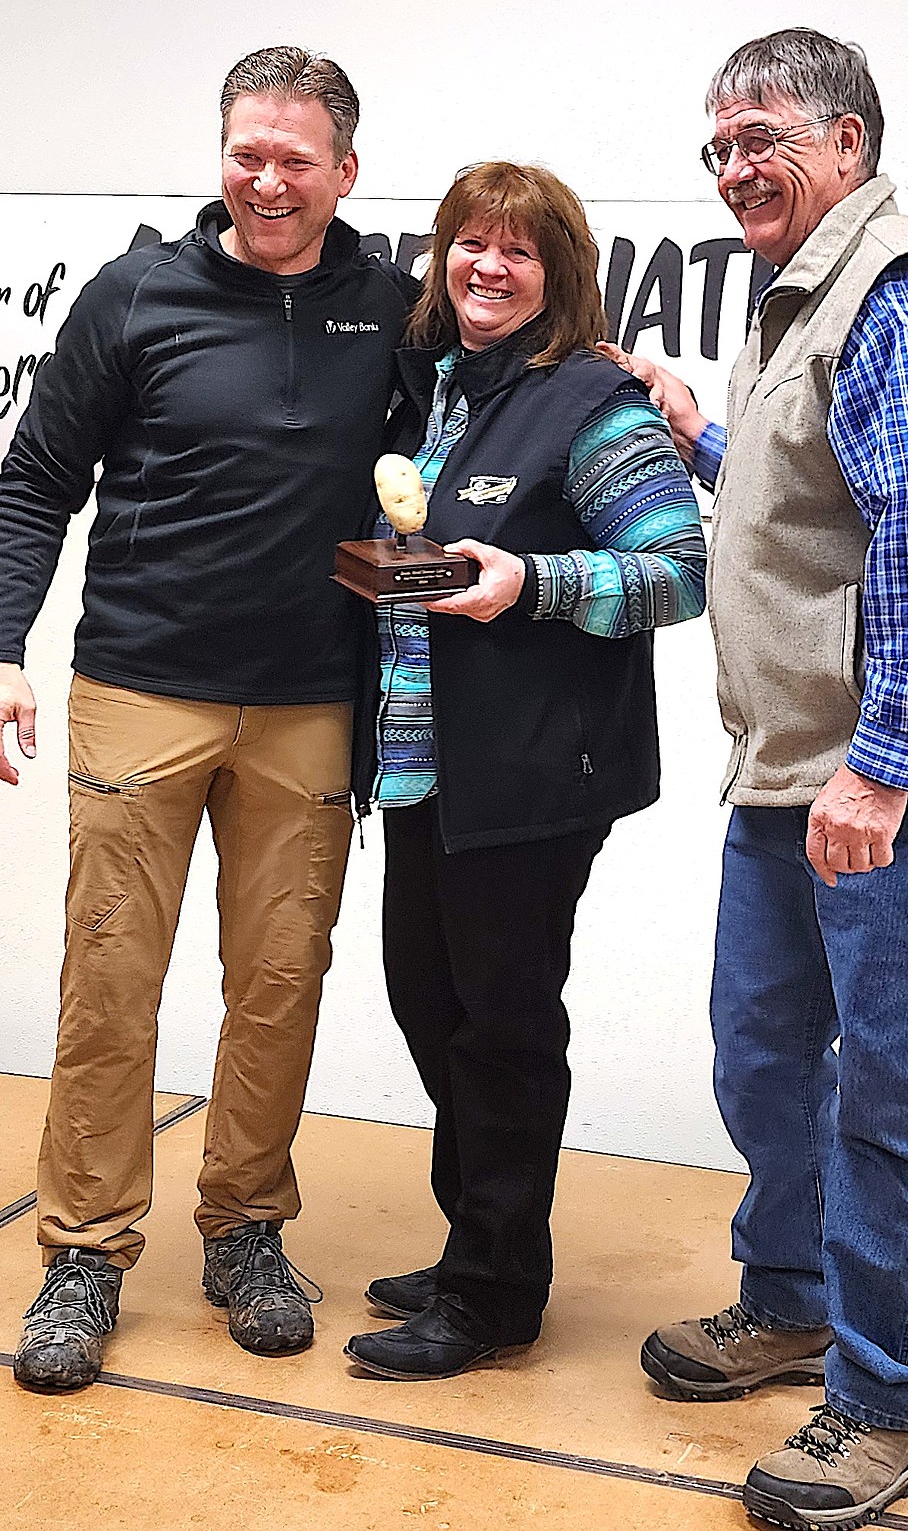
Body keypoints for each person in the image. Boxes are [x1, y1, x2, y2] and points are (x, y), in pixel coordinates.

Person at [0, 46, 416, 1392]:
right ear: (222, 153)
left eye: (294, 156)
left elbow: (507, 382)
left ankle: (246, 1229)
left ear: (346, 168)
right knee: (109, 982)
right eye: (244, 151)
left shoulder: (393, 307)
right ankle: (85, 1251)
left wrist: (641, 384)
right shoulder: (138, 292)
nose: (265, 178)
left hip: (308, 706)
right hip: (137, 690)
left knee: (278, 983)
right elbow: (36, 480)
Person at [618, 29, 908, 1531]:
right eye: (714, 149)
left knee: (891, 1104)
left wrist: (884, 765)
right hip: (794, 775)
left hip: (895, 791)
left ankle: (884, 1406)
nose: (733, 171)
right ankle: (784, 1305)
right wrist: (700, 434)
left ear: (847, 144)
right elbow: (815, 502)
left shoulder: (904, 297)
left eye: (760, 137)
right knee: (762, 1057)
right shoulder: (802, 307)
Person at [340, 161, 706, 1381]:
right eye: (468, 244)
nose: (487, 267)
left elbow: (678, 569)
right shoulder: (435, 381)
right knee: (426, 1002)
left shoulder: (596, 402)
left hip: (536, 773)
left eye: (520, 252)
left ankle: (495, 1291)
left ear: (562, 275)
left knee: (499, 1024)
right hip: (421, 765)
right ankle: (473, 1241)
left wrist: (532, 582)